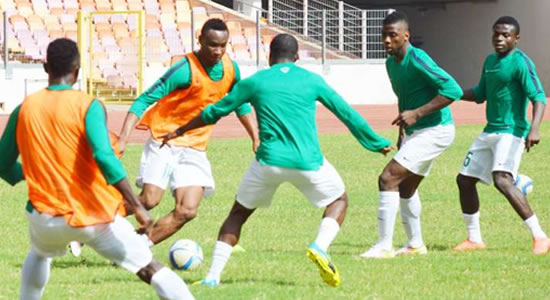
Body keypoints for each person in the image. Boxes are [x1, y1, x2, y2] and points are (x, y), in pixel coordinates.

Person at [159, 33, 393, 287]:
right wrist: (375, 142)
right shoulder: (312, 80)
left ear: (270, 58)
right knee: (339, 200)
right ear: (297, 58)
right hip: (308, 162)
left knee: (238, 214)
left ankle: (212, 277)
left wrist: (180, 130)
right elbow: (345, 112)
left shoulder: (256, 81)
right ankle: (320, 246)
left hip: (267, 162)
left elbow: (215, 111)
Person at [0, 38, 193, 300]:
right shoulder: (88, 105)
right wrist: (136, 206)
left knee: (40, 252)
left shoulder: (23, 109)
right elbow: (104, 156)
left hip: (44, 218)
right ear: (77, 70)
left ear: (46, 68)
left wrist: (28, 173)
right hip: (92, 216)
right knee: (150, 268)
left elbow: (2, 163)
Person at [117, 18, 259, 246]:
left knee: (187, 210)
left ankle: (134, 248)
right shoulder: (184, 70)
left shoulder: (231, 69)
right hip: (165, 141)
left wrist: (255, 137)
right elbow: (144, 100)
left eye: (223, 45)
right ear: (200, 39)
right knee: (150, 200)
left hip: (195, 148)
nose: (218, 51)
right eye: (212, 44)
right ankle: (92, 221)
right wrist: (124, 138)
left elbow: (240, 103)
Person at [359, 11, 463, 259]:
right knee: (405, 187)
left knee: (388, 178)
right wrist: (403, 130)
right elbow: (404, 98)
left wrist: (417, 113)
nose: (386, 40)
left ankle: (384, 246)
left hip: (436, 130)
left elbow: (453, 89)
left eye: (392, 35)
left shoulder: (418, 58)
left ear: (405, 36)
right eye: (384, 35)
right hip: (416, 132)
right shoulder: (390, 63)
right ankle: (415, 244)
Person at [454, 16, 549, 254]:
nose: (499, 38)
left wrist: (534, 128)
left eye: (506, 35)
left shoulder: (521, 62)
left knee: (502, 180)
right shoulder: (490, 61)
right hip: (490, 131)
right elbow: (480, 93)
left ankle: (540, 237)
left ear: (516, 39)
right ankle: (474, 239)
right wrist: (451, 92)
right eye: (496, 34)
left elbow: (538, 97)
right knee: (464, 180)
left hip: (512, 132)